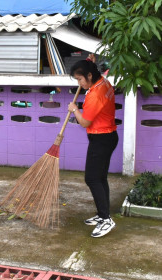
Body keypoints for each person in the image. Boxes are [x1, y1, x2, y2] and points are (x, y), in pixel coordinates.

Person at [68, 54, 118, 238]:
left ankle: (106, 219)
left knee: (92, 178)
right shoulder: (102, 82)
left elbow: (85, 123)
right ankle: (102, 213)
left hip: (101, 138)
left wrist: (75, 110)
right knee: (100, 177)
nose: (79, 84)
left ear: (89, 76)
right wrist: (91, 63)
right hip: (108, 136)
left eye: (80, 79)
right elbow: (94, 72)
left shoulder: (95, 95)